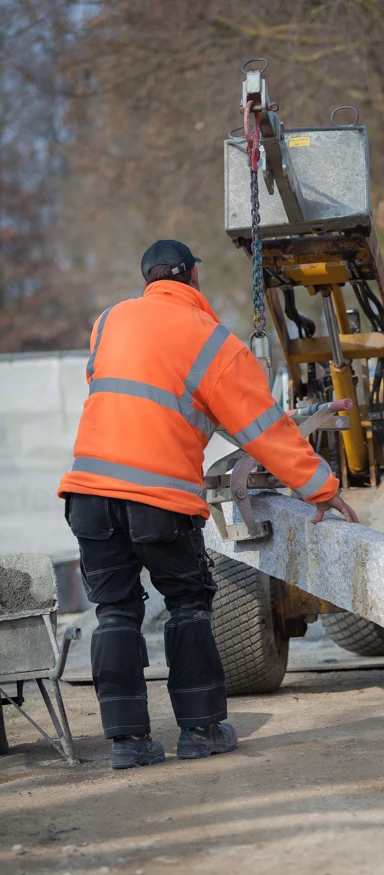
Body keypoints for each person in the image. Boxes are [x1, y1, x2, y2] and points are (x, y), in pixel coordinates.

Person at [58, 239, 357, 769]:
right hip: (159, 499)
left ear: (148, 278)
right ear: (195, 276)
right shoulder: (214, 343)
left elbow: (111, 386)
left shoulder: (109, 321)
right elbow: (265, 430)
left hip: (89, 492)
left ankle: (128, 743)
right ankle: (200, 730)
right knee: (188, 606)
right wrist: (322, 489)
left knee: (115, 614)